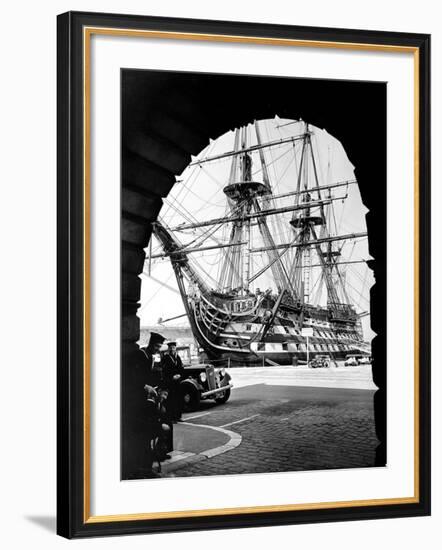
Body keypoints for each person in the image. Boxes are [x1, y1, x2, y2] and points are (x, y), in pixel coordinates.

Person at [121, 331, 166, 479]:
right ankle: (143, 468)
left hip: (145, 402)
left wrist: (157, 389)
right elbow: (133, 378)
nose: (158, 349)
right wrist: (146, 387)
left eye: (160, 347)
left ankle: (146, 466)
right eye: (157, 346)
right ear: (151, 344)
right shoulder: (140, 355)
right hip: (137, 403)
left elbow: (151, 376)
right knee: (143, 436)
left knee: (149, 434)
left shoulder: (150, 357)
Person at [162, 341, 185, 422]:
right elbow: (164, 371)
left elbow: (181, 368)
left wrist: (180, 375)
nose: (172, 349)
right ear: (169, 348)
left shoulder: (177, 357)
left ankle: (178, 416)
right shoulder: (165, 358)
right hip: (170, 382)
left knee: (178, 399)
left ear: (175, 348)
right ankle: (172, 418)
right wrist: (172, 377)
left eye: (174, 347)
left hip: (177, 382)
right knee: (171, 400)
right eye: (171, 348)